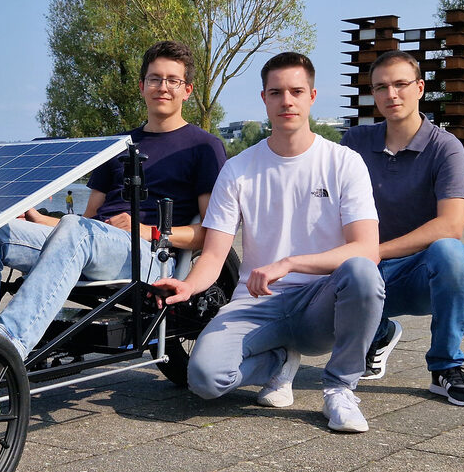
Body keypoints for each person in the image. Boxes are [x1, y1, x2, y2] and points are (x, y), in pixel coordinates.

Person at [0, 40, 227, 375]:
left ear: (187, 90)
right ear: (142, 86)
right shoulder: (117, 145)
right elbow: (84, 224)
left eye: (173, 80)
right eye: (155, 79)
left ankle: (1, 351)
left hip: (151, 256)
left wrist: (147, 230)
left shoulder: (204, 147)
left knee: (77, 233)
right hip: (92, 243)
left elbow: (208, 235)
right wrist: (39, 220)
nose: (163, 87)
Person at [153, 52, 384, 433]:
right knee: (204, 380)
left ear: (312, 95)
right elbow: (213, 253)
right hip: (256, 302)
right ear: (264, 99)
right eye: (276, 92)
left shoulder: (344, 162)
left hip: (319, 305)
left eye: (296, 91)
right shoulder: (238, 168)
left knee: (361, 271)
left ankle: (340, 388)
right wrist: (188, 285)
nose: (286, 101)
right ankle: (279, 361)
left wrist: (290, 263)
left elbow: (367, 248)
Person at [340, 50, 464, 406]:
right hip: (359, 270)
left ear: (419, 88)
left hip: (414, 275)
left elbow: (451, 224)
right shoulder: (355, 143)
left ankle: (445, 367)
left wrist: (374, 252)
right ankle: (377, 331)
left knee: (450, 252)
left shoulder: (444, 147)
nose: (392, 94)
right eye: (381, 87)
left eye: (401, 84)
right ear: (373, 94)